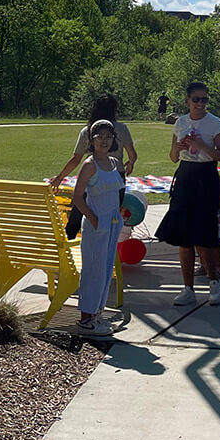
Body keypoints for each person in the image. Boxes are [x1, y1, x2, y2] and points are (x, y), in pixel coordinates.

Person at [157, 82, 220, 307]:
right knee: (184, 236)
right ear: (187, 101)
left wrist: (201, 145)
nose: (200, 104)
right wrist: (178, 147)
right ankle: (187, 287)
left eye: (204, 99)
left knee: (206, 234)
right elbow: (172, 157)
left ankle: (214, 283)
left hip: (206, 177)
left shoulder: (214, 122)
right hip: (185, 177)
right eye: (196, 99)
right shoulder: (180, 122)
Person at [50, 94, 138, 239]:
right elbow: (132, 154)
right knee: (110, 219)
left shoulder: (88, 130)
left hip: (92, 176)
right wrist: (130, 163)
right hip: (115, 177)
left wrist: (59, 178)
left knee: (76, 219)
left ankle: (67, 250)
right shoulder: (121, 129)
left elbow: (76, 159)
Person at [71, 120, 124, 338]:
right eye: (99, 136)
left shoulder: (113, 162)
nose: (104, 141)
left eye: (108, 137)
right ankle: (86, 318)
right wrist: (94, 220)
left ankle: (97, 314)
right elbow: (78, 197)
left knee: (105, 269)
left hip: (112, 222)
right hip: (97, 224)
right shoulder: (89, 165)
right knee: (93, 269)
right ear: (91, 141)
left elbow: (116, 192)